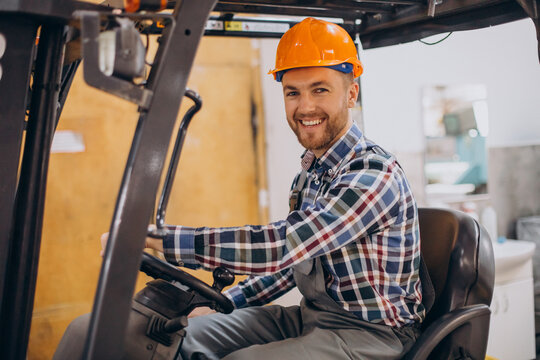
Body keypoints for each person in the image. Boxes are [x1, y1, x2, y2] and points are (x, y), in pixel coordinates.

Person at [142, 17, 426, 360]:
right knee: (183, 338)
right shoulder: (309, 176)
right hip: (314, 319)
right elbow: (294, 265)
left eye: (320, 89)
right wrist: (225, 303)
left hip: (375, 335)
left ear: (351, 93)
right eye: (293, 92)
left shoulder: (373, 175)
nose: (305, 107)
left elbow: (283, 244)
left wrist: (166, 241)